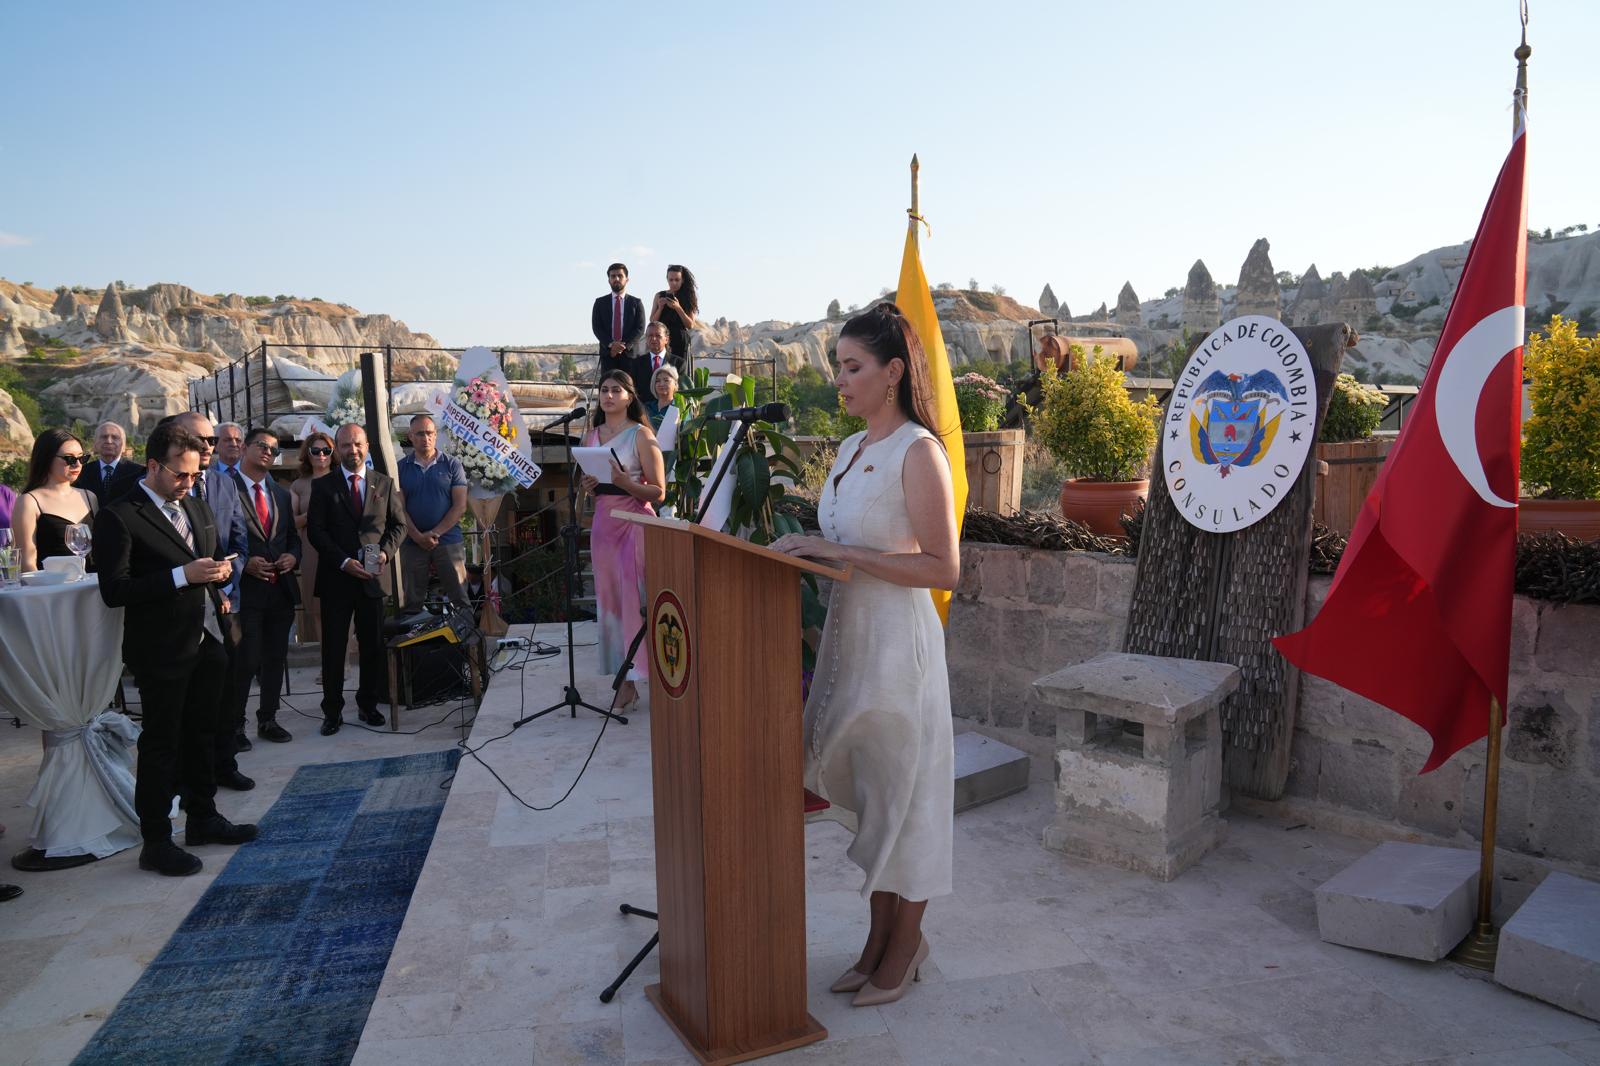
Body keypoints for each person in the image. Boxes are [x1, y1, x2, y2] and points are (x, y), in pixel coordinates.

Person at [770, 304, 959, 1007]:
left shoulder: (919, 451)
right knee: (878, 800)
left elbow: (944, 568)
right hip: (851, 641)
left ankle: (906, 947)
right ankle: (877, 941)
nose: (841, 382)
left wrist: (838, 551)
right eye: (837, 368)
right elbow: (837, 549)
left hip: (899, 647)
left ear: (894, 373)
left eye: (853, 368)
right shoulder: (850, 452)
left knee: (906, 800)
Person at [92, 422, 257, 877]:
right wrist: (183, 576)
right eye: (179, 475)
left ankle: (203, 818)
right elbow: (115, 590)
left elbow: (209, 561)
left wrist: (220, 574)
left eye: (192, 475)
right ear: (153, 466)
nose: (188, 483)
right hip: (160, 649)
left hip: (207, 640)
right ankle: (157, 841)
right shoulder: (120, 515)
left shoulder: (198, 506)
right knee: (162, 744)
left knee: (204, 734)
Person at [164, 411, 251, 777]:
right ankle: (190, 775)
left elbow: (238, 542)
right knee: (189, 698)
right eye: (201, 440)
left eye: (211, 442)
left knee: (228, 687)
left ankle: (225, 762)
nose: (208, 448)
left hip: (225, 604)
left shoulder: (224, 484)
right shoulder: (166, 487)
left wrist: (228, 584)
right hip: (181, 612)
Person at [306, 423, 405, 735]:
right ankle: (332, 712)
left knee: (372, 646)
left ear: (367, 446)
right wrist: (344, 562)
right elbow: (316, 531)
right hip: (337, 579)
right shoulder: (323, 486)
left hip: (373, 581)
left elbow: (398, 526)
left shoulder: (384, 484)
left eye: (358, 444)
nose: (353, 450)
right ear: (338, 448)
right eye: (346, 445)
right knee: (334, 649)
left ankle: (368, 705)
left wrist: (386, 554)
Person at [578, 370, 665, 710]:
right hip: (603, 525)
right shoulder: (590, 437)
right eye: (604, 390)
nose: (608, 395)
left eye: (616, 390)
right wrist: (589, 488)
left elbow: (659, 492)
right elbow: (594, 489)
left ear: (629, 397)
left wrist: (624, 482)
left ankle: (634, 678)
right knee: (610, 604)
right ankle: (624, 675)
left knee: (636, 602)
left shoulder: (641, 435)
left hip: (634, 522)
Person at [233, 427, 301, 744]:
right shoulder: (224, 489)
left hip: (280, 590)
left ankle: (268, 719)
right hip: (246, 591)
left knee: (275, 658)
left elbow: (293, 539)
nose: (267, 452)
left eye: (273, 449)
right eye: (261, 445)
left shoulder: (282, 494)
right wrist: (242, 562)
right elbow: (216, 539)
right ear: (245, 448)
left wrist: (292, 557)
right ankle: (235, 725)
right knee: (246, 659)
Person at [397, 413, 469, 609]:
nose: (425, 438)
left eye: (429, 433)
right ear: (410, 436)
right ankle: (413, 639)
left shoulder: (452, 464)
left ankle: (470, 638)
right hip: (412, 543)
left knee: (460, 596)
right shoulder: (400, 468)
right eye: (420, 433)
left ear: (436, 435)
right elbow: (398, 508)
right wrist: (418, 536)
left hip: (448, 541)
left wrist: (434, 533)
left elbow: (460, 506)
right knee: (411, 601)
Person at [12, 428, 97, 573]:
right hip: (52, 590)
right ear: (46, 458)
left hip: (90, 588)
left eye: (82, 458)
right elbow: (27, 564)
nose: (77, 465)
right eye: (69, 459)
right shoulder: (28, 502)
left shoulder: (89, 497)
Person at [290, 431, 337, 643]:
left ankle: (344, 660)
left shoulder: (341, 480)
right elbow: (291, 523)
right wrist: (313, 514)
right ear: (307, 454)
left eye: (326, 450)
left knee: (344, 606)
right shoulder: (299, 485)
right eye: (315, 450)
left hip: (340, 547)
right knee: (317, 609)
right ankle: (327, 662)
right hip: (311, 550)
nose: (321, 455)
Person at [591, 262, 646, 380]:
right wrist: (611, 345)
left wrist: (622, 346)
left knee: (629, 389)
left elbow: (640, 328)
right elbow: (597, 328)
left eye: (620, 276)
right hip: (608, 354)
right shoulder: (600, 303)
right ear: (609, 280)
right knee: (608, 388)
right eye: (613, 276)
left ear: (627, 279)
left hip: (629, 355)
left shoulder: (636, 303)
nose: (616, 279)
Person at [76, 420, 143, 506]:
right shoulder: (82, 472)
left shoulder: (138, 473)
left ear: (124, 445)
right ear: (95, 444)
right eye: (104, 437)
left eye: (115, 437)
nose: (109, 441)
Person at [650, 263, 699, 370]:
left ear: (683, 280)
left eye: (677, 280)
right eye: (671, 279)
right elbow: (652, 321)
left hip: (679, 340)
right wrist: (660, 308)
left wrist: (678, 307)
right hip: (661, 338)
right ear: (667, 279)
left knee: (678, 372)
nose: (673, 283)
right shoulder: (659, 295)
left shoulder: (688, 297)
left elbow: (690, 324)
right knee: (660, 370)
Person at [644, 361, 678, 428]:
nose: (661, 384)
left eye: (666, 380)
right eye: (657, 381)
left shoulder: (680, 408)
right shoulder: (647, 407)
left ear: (675, 384)